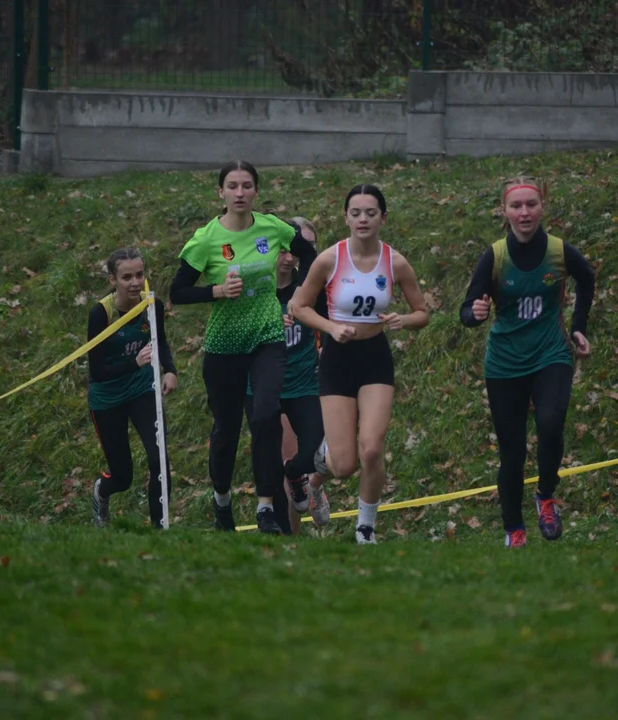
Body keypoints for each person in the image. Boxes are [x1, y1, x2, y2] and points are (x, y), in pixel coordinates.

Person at [169, 160, 317, 535]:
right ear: (220, 192)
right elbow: (178, 291)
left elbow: (312, 255)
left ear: (256, 192)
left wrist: (301, 291)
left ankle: (266, 504)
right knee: (226, 431)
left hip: (267, 338)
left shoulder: (272, 227)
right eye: (232, 186)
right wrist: (216, 291)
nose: (239, 193)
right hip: (223, 347)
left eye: (246, 186)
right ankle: (222, 501)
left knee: (265, 415)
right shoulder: (206, 238)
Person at [289, 184, 430, 544]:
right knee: (345, 464)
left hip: (374, 358)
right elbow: (299, 307)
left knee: (371, 448)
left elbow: (422, 313)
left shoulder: (394, 261)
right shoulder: (329, 259)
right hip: (337, 359)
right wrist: (332, 327)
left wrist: (403, 320)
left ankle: (365, 528)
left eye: (370, 213)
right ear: (346, 218)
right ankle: (318, 475)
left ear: (383, 217)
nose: (363, 219)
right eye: (356, 213)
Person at [459, 178, 595, 547]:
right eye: (516, 206)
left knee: (551, 423)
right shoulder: (496, 256)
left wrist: (579, 327)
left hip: (551, 353)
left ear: (542, 207)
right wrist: (476, 311)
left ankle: (546, 496)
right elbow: (466, 311)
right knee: (513, 451)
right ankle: (514, 528)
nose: (524, 213)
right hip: (504, 363)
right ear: (505, 212)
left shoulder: (559, 251)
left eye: (531, 204)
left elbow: (587, 280)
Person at [246, 217, 330, 534]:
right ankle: (291, 536)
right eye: (288, 246)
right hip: (269, 384)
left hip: (308, 381)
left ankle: (315, 486)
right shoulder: (257, 285)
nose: (293, 254)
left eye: (305, 247)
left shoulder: (314, 288)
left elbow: (331, 324)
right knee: (284, 460)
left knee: (323, 454)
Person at [88, 248, 178, 529]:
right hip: (108, 399)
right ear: (113, 280)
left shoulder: (153, 305)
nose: (135, 283)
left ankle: (158, 528)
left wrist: (170, 370)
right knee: (122, 477)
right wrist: (134, 362)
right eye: (126, 277)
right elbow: (98, 370)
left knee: (159, 460)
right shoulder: (101, 313)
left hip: (142, 392)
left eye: (139, 275)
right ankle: (102, 491)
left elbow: (159, 340)